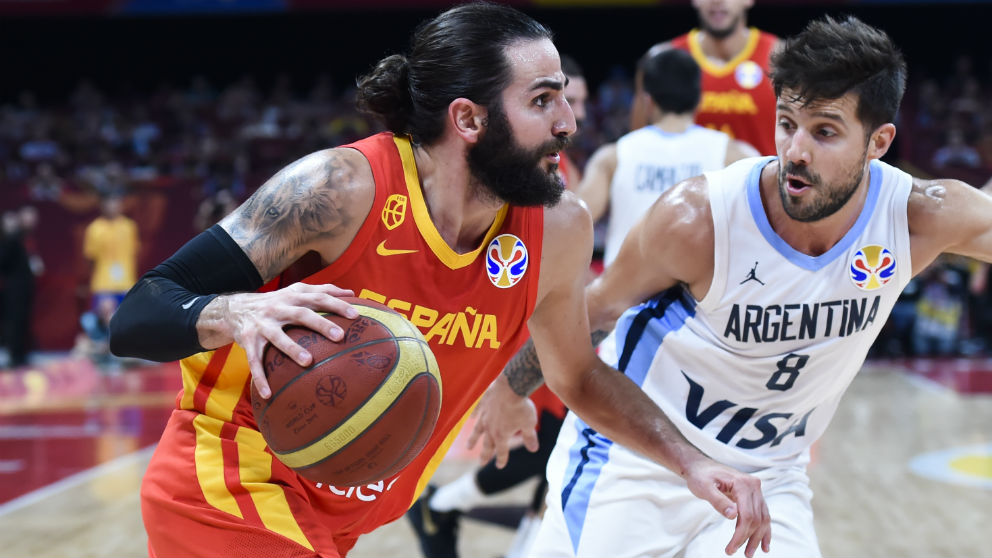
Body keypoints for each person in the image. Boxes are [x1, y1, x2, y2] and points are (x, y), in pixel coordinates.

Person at [108, 4, 769, 557]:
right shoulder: (339, 190)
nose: (569, 121)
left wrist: (692, 461)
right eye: (544, 101)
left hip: (337, 518)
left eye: (565, 96)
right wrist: (238, 315)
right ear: (469, 119)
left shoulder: (559, 229)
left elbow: (580, 377)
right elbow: (139, 312)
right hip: (225, 486)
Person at [470, 15, 992, 557]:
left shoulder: (920, 217)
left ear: (879, 141)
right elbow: (591, 311)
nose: (796, 151)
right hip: (635, 464)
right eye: (787, 122)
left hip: (767, 477)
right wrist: (509, 388)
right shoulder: (697, 219)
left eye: (826, 132)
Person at [404, 52, 591, 558]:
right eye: (556, 100)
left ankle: (455, 510)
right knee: (549, 444)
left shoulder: (561, 169)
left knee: (558, 455)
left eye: (577, 102)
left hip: (553, 312)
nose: (569, 116)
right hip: (525, 323)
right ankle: (442, 503)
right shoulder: (523, 169)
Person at [581, 46, 757, 269]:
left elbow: (573, 223)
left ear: (648, 101)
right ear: (698, 100)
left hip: (627, 298)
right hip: (700, 297)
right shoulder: (734, 156)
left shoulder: (612, 157)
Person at [639, 0, 778, 155]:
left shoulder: (781, 58)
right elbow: (638, 145)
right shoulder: (663, 61)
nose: (717, 1)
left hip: (757, 178)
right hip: (687, 179)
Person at [83, 194, 139, 312]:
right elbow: (91, 258)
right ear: (102, 206)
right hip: (103, 285)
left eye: (115, 203)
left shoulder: (129, 226)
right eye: (109, 203)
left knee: (127, 323)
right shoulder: (94, 228)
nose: (112, 207)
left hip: (126, 284)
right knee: (103, 323)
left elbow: (134, 252)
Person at [559, 54, 589, 190]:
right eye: (570, 101)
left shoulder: (569, 169)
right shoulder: (520, 163)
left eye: (583, 102)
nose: (581, 114)